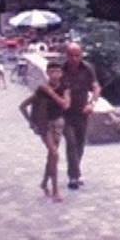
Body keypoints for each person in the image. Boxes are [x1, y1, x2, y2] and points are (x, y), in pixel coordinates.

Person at [19, 61, 71, 202]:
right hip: (45, 125)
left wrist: (51, 93)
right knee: (54, 154)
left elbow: (65, 105)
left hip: (58, 124)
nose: (55, 74)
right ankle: (55, 190)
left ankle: (44, 182)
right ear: (47, 73)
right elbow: (23, 106)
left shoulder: (64, 88)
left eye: (57, 71)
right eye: (52, 71)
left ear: (61, 73)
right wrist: (31, 122)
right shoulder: (41, 90)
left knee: (51, 156)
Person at [61, 42, 101, 190]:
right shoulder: (61, 70)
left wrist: (92, 103)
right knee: (71, 143)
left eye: (77, 55)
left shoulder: (88, 68)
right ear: (66, 55)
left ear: (81, 55)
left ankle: (76, 172)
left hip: (82, 112)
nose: (74, 59)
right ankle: (73, 176)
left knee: (79, 144)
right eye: (71, 55)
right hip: (65, 114)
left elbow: (96, 87)